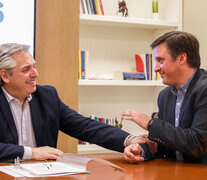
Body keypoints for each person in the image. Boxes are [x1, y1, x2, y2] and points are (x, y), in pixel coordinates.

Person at [0, 43, 144, 162]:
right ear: (5, 75)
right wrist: (32, 153)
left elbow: (84, 126)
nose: (35, 74)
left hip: (43, 175)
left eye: (34, 66)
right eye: (26, 69)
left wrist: (129, 140)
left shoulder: (47, 96)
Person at [122, 31, 207, 164]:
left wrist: (151, 124)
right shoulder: (164, 96)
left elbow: (197, 145)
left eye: (160, 61)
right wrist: (140, 150)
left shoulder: (204, 89)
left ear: (181, 59)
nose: (156, 68)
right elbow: (166, 143)